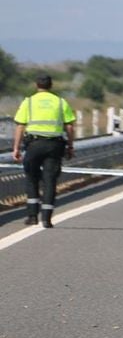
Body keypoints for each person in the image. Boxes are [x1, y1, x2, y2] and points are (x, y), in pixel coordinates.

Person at [11, 74, 77, 228]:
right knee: (50, 181)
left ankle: (32, 216)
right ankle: (47, 219)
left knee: (31, 178)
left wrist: (16, 148)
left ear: (37, 85)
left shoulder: (29, 102)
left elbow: (20, 125)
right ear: (51, 85)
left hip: (34, 145)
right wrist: (70, 146)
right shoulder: (61, 102)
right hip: (55, 145)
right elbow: (69, 126)